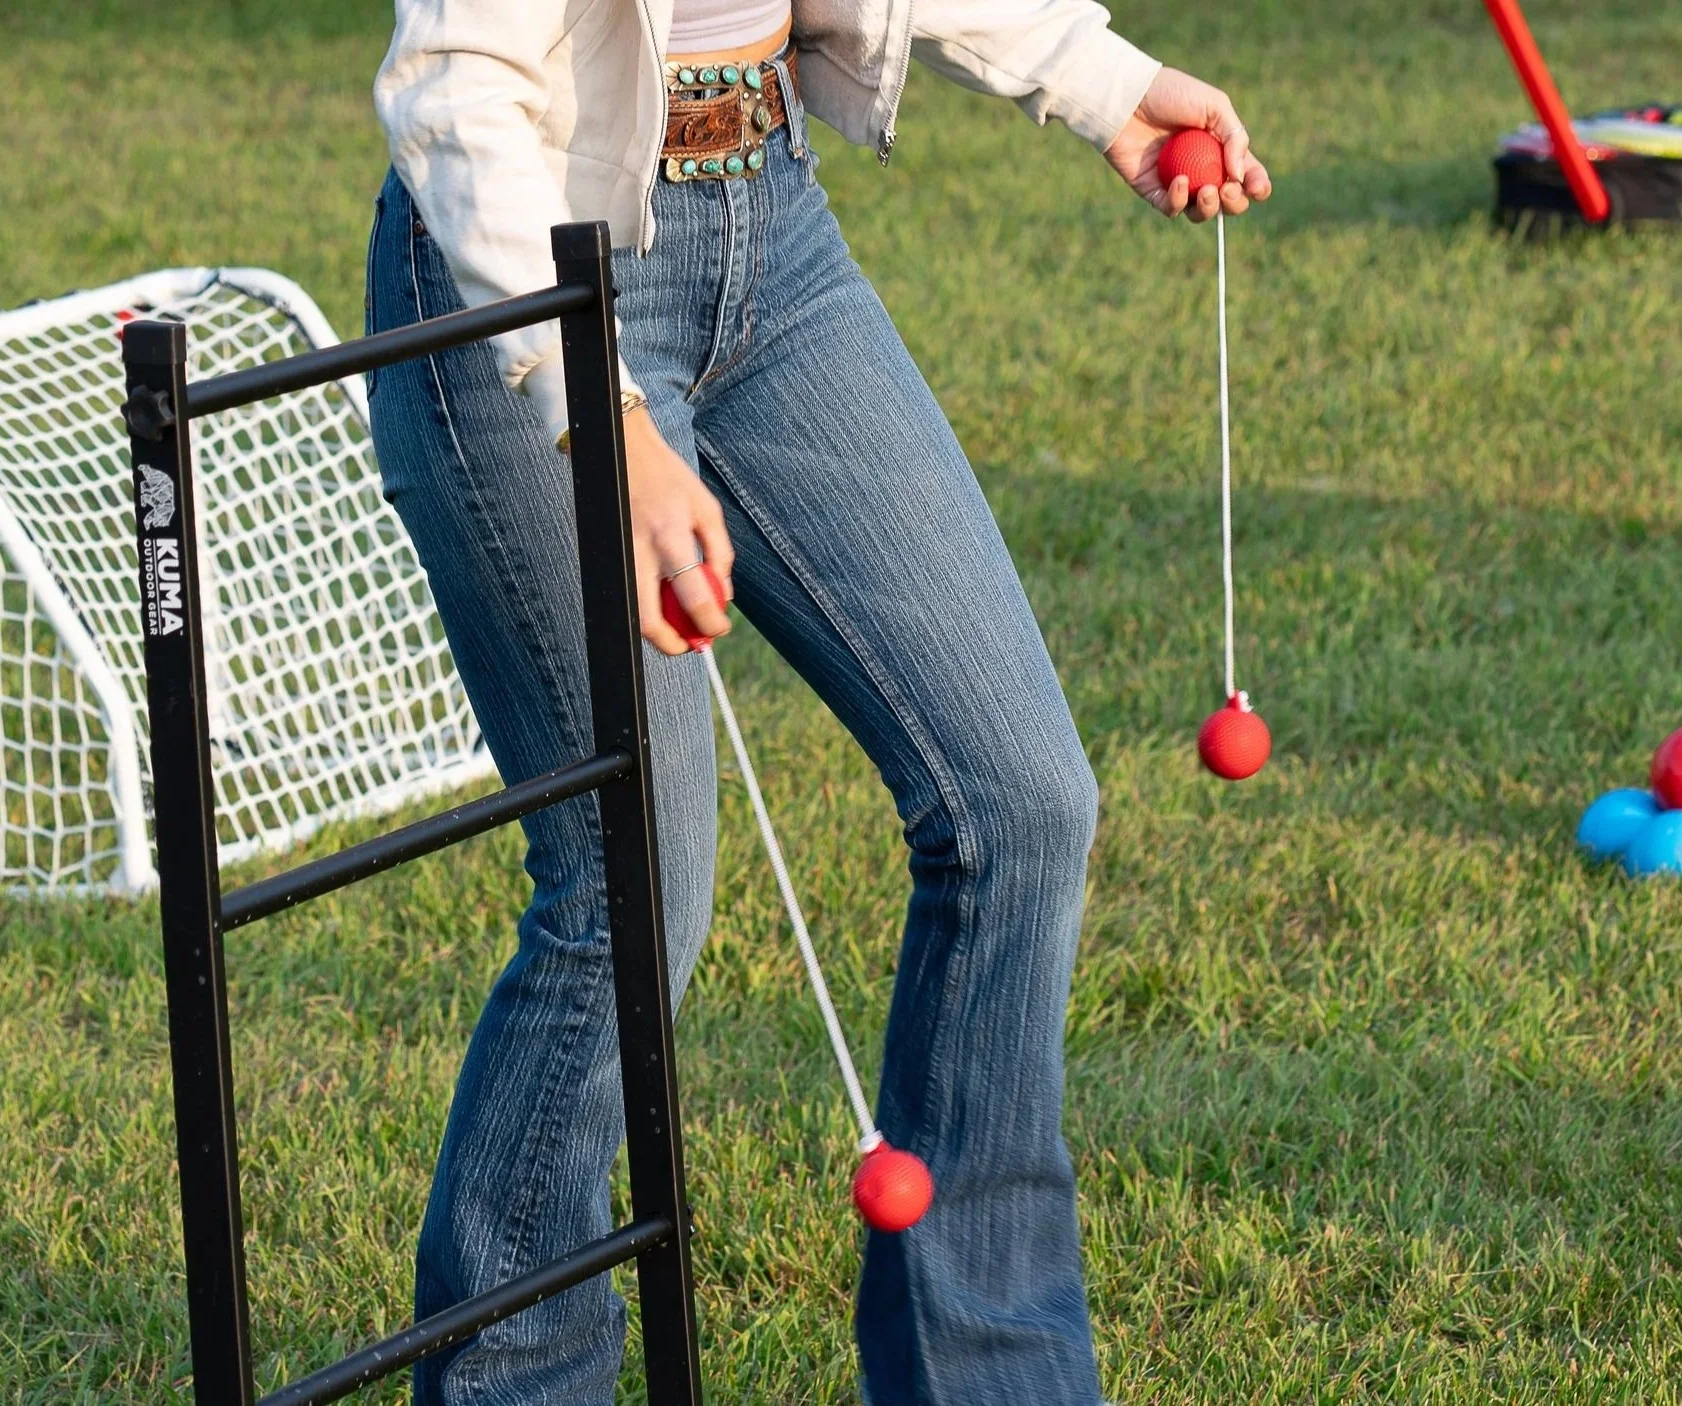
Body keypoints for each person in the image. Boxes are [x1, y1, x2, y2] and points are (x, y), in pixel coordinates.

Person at [367, 1, 1269, 1400]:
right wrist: (605, 418)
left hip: (770, 232)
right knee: (631, 892)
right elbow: (453, 82)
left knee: (1021, 804)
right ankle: (512, 1380)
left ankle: (991, 1378)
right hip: (535, 276)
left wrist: (1108, 81)